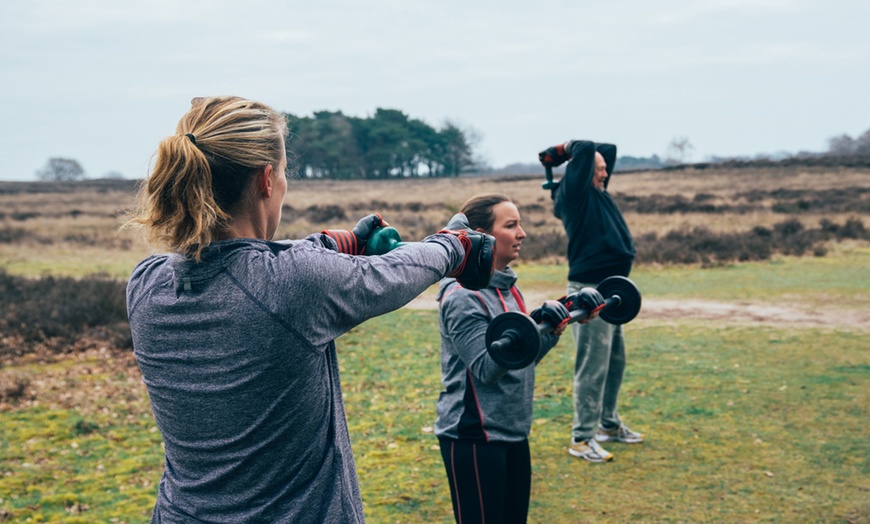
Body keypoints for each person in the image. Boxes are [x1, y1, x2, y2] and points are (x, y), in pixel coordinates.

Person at [125, 95, 492, 523]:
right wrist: (453, 246)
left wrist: (334, 243)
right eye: (283, 173)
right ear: (266, 180)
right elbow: (390, 274)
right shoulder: (291, 283)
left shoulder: (147, 283)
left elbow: (243, 262)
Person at [434, 193, 590, 523]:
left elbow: (521, 359)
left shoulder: (507, 287)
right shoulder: (462, 297)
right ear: (481, 235)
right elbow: (486, 368)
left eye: (519, 224)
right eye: (511, 225)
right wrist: (530, 326)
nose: (522, 233)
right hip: (474, 436)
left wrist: (553, 325)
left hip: (513, 430)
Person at [539, 140, 644, 463]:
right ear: (581, 175)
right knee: (593, 365)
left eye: (604, 169)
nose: (605, 173)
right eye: (598, 170)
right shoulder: (577, 197)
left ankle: (608, 425)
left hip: (612, 290)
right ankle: (582, 438)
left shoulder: (595, 190)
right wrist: (563, 150)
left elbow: (606, 149)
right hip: (588, 290)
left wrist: (582, 158)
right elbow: (584, 149)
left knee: (614, 362)